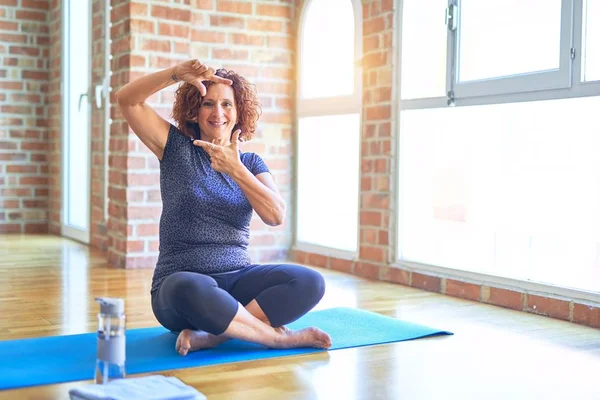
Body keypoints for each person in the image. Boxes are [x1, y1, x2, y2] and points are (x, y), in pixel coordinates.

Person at [115, 59, 332, 355]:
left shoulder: (251, 164)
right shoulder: (176, 148)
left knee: (309, 281)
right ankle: (275, 338)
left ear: (239, 111)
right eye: (208, 104)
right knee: (189, 286)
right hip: (182, 287)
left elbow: (275, 215)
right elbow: (128, 100)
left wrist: (236, 169)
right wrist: (176, 74)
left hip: (237, 279)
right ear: (195, 111)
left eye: (227, 104)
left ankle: (215, 336)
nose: (218, 113)